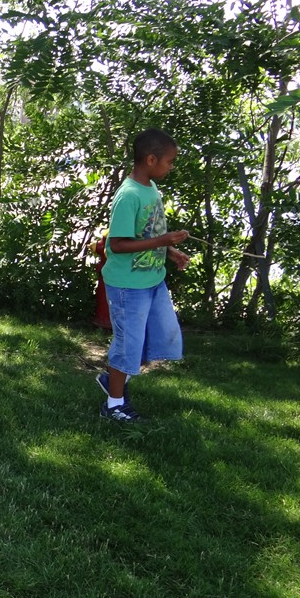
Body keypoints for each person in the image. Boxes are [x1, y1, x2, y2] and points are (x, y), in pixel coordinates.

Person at [98, 127, 190, 422]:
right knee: (128, 344)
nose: (171, 167)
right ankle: (114, 405)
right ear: (151, 159)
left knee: (156, 337)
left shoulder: (150, 188)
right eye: (169, 161)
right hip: (128, 285)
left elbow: (146, 233)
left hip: (152, 280)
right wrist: (163, 241)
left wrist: (169, 250)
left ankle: (113, 379)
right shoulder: (129, 195)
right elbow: (118, 244)